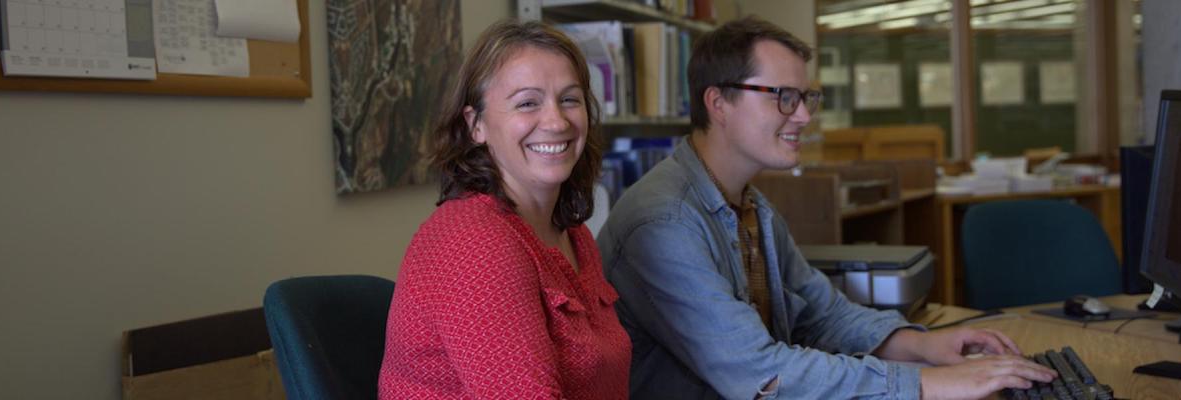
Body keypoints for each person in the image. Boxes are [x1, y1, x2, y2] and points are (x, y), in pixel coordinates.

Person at [597, 16, 1055, 399]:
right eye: (784, 97)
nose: (803, 116)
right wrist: (924, 383)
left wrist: (924, 346)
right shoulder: (664, 224)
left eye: (806, 98)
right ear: (718, 102)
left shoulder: (751, 205)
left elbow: (820, 314)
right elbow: (759, 374)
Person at [376, 20, 630, 399]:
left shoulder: (574, 234)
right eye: (527, 103)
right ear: (476, 124)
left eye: (570, 99)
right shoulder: (472, 244)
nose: (556, 121)